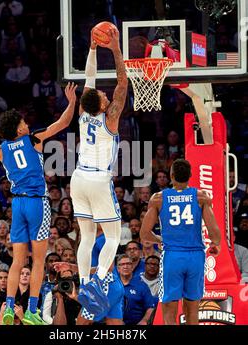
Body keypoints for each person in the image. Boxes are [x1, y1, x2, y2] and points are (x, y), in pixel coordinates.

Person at [0, 82, 77, 326]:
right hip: (37, 204)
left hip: (17, 206)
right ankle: (31, 311)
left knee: (18, 261)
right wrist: (71, 102)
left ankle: (8, 307)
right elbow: (62, 123)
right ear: (17, 129)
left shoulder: (1, 148)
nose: (26, 123)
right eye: (23, 122)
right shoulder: (33, 140)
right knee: (38, 260)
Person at [70, 26, 128, 313]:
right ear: (104, 105)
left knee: (88, 235)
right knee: (114, 236)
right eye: (105, 97)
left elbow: (89, 77)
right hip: (97, 179)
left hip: (78, 178)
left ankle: (83, 282)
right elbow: (122, 82)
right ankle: (99, 281)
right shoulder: (111, 118)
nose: (106, 95)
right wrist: (115, 48)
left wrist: (93, 49)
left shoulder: (83, 111)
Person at [140, 159, 221, 325]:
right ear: (190, 176)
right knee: (192, 310)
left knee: (170, 310)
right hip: (196, 258)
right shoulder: (201, 197)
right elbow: (215, 235)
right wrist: (214, 245)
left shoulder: (158, 199)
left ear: (171, 175)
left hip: (172, 257)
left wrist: (159, 239)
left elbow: (145, 234)